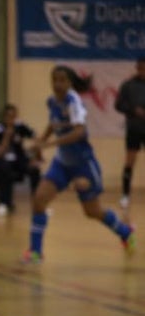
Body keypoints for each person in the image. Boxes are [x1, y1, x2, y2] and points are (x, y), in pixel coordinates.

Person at [24, 66, 136, 265]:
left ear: (70, 83)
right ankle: (36, 252)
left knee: (92, 211)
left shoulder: (73, 101)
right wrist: (41, 141)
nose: (57, 84)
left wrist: (50, 144)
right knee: (39, 200)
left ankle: (125, 232)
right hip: (62, 164)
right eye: (54, 80)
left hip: (83, 164)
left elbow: (79, 132)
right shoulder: (52, 102)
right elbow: (53, 124)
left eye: (62, 80)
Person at [0, 104, 41, 217]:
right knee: (4, 169)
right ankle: (4, 203)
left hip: (19, 160)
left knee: (35, 169)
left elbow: (37, 137)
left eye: (14, 116)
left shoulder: (20, 126)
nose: (11, 119)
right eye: (9, 116)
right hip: (1, 160)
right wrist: (7, 136)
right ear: (3, 117)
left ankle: (38, 204)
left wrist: (34, 156)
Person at [114, 57, 145, 210]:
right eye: (140, 68)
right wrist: (133, 110)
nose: (142, 71)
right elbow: (118, 104)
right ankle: (125, 195)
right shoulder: (128, 85)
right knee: (129, 162)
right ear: (136, 68)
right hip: (134, 129)